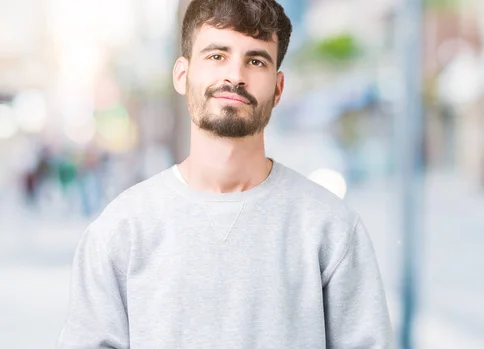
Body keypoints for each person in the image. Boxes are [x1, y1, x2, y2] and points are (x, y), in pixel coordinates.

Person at [56, 0, 393, 348]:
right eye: (217, 56)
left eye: (256, 60)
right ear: (182, 75)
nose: (235, 76)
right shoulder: (120, 231)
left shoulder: (331, 229)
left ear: (278, 89)